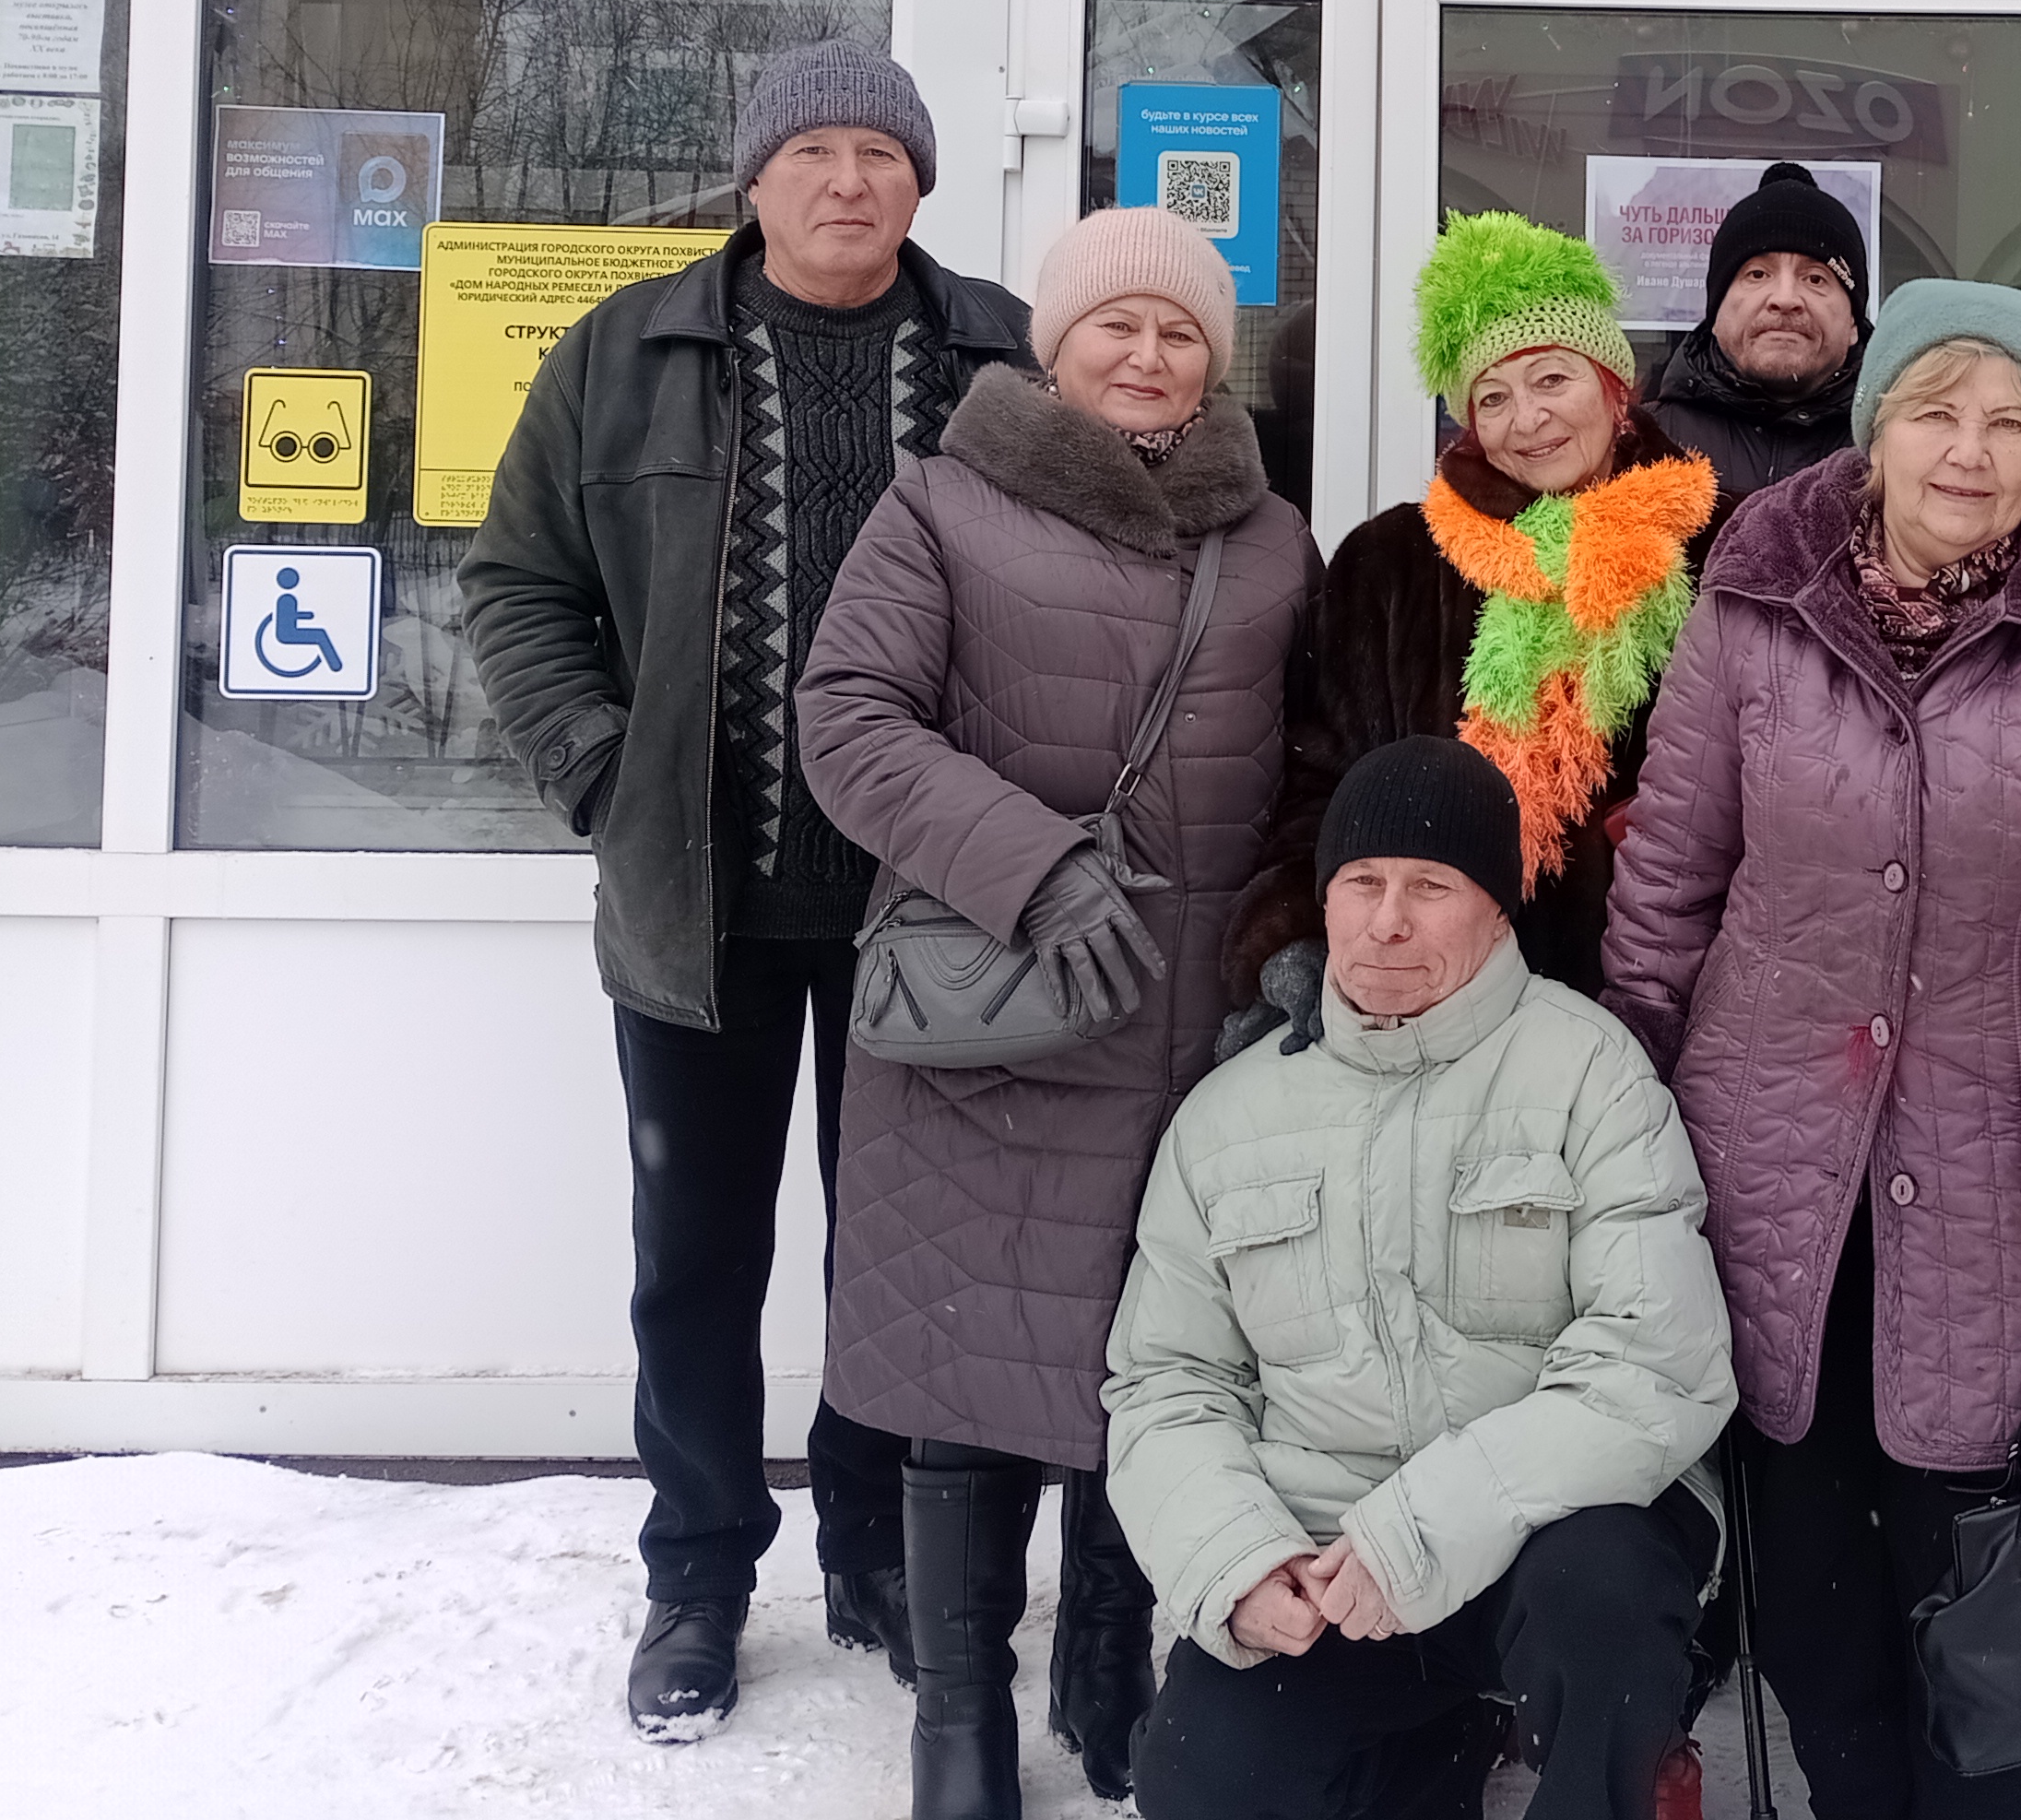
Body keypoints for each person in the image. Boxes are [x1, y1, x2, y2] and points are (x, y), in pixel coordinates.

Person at [461, 41, 1031, 1740]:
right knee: (696, 1261)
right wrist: (601, 773)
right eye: (814, 152)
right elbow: (518, 583)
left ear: (922, 181)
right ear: (755, 178)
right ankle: (699, 1572)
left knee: (903, 1263)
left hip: (930, 915)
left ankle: (878, 1550)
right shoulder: (624, 351)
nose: (848, 181)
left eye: (881, 153)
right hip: (699, 912)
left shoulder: (1005, 354)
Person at [1602, 278, 2021, 1820]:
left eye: (2013, 420)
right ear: (1874, 429)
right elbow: (1670, 873)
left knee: (1996, 1601)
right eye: (1938, 410)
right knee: (1813, 1605)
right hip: (1773, 1162)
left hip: (2013, 1170)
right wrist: (1624, 1119)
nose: (1971, 449)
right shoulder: (1756, 600)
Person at [795, 205, 1320, 1820]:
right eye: (1116, 325)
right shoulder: (942, 503)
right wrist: (1028, 868)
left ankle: (1111, 1655)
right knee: (968, 1364)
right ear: (1055, 343)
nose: (1148, 355)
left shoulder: (1270, 542)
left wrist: (1292, 940)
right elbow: (847, 717)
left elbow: (1307, 765)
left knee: (1143, 1358)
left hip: (1185, 1027)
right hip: (996, 1007)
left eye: (1180, 332)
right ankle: (959, 1713)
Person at [1107, 739, 1739, 1820]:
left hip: (1548, 1537)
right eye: (1362, 884)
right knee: (1199, 1772)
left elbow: (1655, 1361)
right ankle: (1427, 1757)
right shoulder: (1226, 1118)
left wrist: (1425, 1530)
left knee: (1605, 1605)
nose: (1387, 921)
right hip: (1329, 1557)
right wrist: (1238, 1562)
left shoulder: (1589, 1070)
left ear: (1497, 910)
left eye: (1430, 887)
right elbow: (1168, 1382)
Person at [1232, 214, 1724, 1010]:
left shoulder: (1724, 549)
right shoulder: (1390, 564)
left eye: (1552, 380)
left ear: (1615, 388)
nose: (1526, 419)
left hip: (1661, 988)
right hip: (1430, 993)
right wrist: (1295, 937)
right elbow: (1321, 781)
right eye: (1493, 397)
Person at [1637, 160, 1871, 491]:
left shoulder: (1895, 450)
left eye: (1815, 278)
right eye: (1757, 274)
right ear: (1716, 314)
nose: (1786, 298)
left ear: (1853, 323)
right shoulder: (1639, 447)